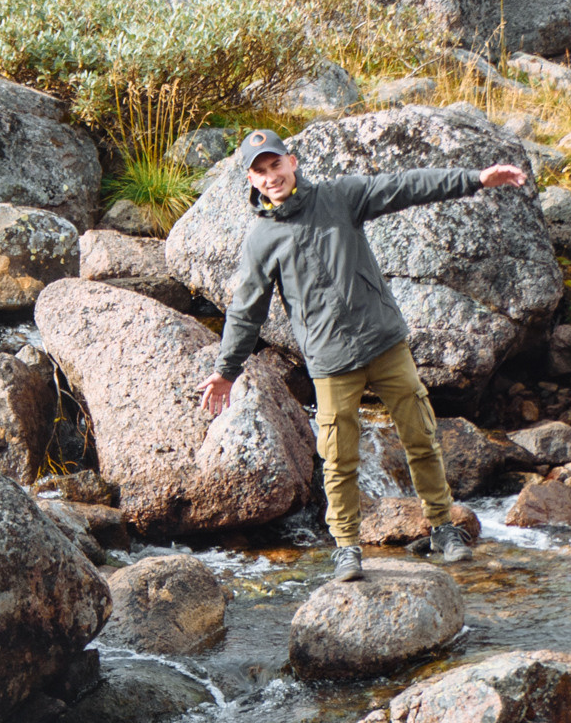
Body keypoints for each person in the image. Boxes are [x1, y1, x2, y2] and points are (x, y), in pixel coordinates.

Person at [199, 130, 529, 577]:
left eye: (275, 164)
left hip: (384, 344)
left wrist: (474, 179)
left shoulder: (341, 197)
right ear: (251, 179)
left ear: (292, 162)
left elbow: (404, 186)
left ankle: (442, 527)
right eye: (260, 171)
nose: (270, 176)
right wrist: (226, 371)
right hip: (330, 361)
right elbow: (245, 311)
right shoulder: (261, 240)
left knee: (421, 438)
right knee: (338, 459)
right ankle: (348, 548)